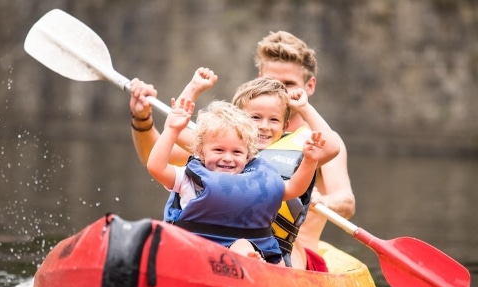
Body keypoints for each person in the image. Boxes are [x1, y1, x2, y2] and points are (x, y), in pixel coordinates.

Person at [146, 96, 325, 263]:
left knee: (244, 245)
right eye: (218, 150)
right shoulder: (188, 179)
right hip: (196, 252)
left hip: (238, 258)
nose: (227, 158)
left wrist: (310, 161)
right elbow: (156, 167)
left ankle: (250, 264)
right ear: (200, 152)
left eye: (237, 152)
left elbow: (294, 189)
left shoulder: (259, 183)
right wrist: (172, 129)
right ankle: (245, 264)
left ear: (248, 156)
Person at [255, 31, 355, 266]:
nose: (279, 91)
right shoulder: (238, 133)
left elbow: (347, 203)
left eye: (288, 84)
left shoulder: (319, 141)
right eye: (271, 83)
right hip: (244, 248)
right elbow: (168, 158)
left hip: (297, 257)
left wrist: (322, 202)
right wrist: (148, 123)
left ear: (309, 86)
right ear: (259, 79)